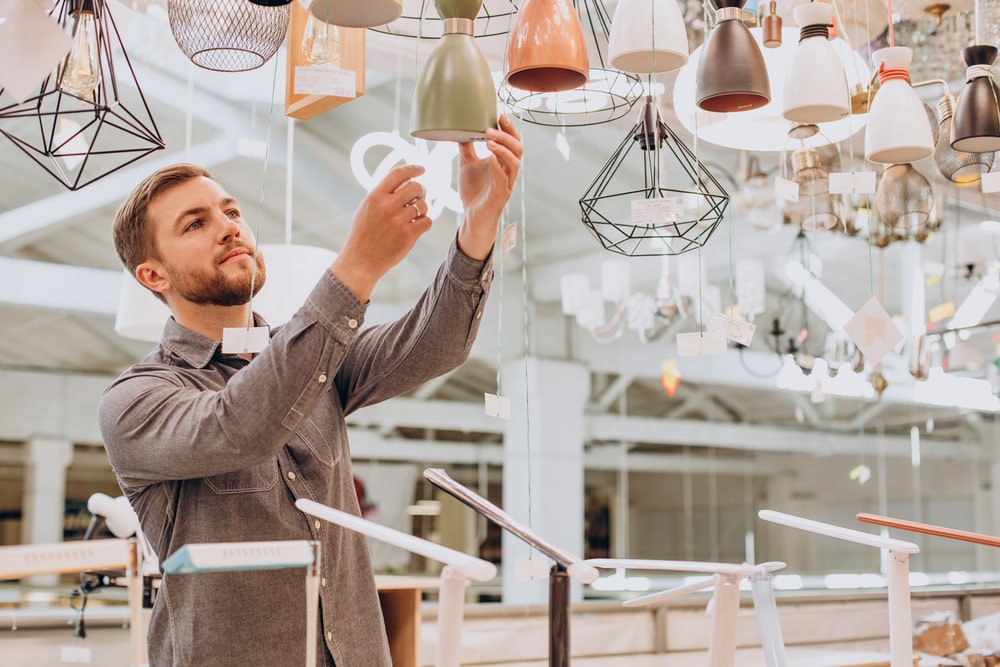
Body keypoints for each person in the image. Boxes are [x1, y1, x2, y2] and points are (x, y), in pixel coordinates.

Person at [98, 115, 523, 667]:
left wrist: (477, 223)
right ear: (153, 276)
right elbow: (240, 426)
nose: (230, 227)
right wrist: (357, 266)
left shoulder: (311, 361)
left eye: (231, 211)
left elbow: (434, 344)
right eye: (195, 224)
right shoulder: (136, 400)